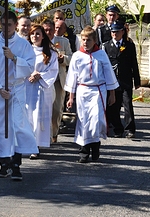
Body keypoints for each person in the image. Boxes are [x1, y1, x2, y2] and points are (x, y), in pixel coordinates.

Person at [0, 11, 38, 180]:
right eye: (3, 25)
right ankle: (3, 163)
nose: (6, 28)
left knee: (16, 126)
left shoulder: (23, 45)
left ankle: (16, 164)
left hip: (17, 90)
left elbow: (29, 66)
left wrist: (14, 58)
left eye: (9, 25)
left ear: (15, 25)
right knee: (0, 129)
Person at [64, 25, 118, 163]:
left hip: (98, 90)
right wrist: (71, 97)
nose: (85, 43)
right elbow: (72, 77)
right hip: (83, 91)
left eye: (88, 40)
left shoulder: (101, 54)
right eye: (83, 40)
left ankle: (95, 146)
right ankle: (84, 151)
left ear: (94, 40)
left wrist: (112, 94)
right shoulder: (77, 56)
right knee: (83, 121)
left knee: (96, 120)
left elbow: (109, 75)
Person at [102, 21, 141, 138]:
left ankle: (130, 129)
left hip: (125, 80)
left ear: (122, 32)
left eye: (117, 31)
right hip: (112, 81)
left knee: (128, 104)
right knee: (114, 106)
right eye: (113, 31)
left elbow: (134, 63)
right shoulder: (106, 46)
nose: (115, 34)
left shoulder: (129, 45)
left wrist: (137, 81)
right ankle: (117, 129)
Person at [25, 24, 58, 159]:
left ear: (43, 36)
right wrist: (29, 74)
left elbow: (53, 70)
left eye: (38, 34)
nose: (35, 36)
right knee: (27, 116)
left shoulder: (51, 53)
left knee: (38, 117)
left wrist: (40, 75)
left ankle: (36, 146)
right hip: (27, 86)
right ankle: (26, 143)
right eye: (32, 34)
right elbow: (18, 66)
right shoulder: (25, 51)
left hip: (42, 88)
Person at [42, 19, 72, 143]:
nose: (48, 32)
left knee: (56, 109)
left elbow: (71, 58)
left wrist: (62, 59)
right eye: (45, 30)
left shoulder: (63, 42)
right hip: (43, 81)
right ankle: (44, 135)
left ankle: (54, 132)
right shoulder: (38, 43)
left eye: (50, 29)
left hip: (58, 81)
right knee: (44, 109)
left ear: (55, 30)